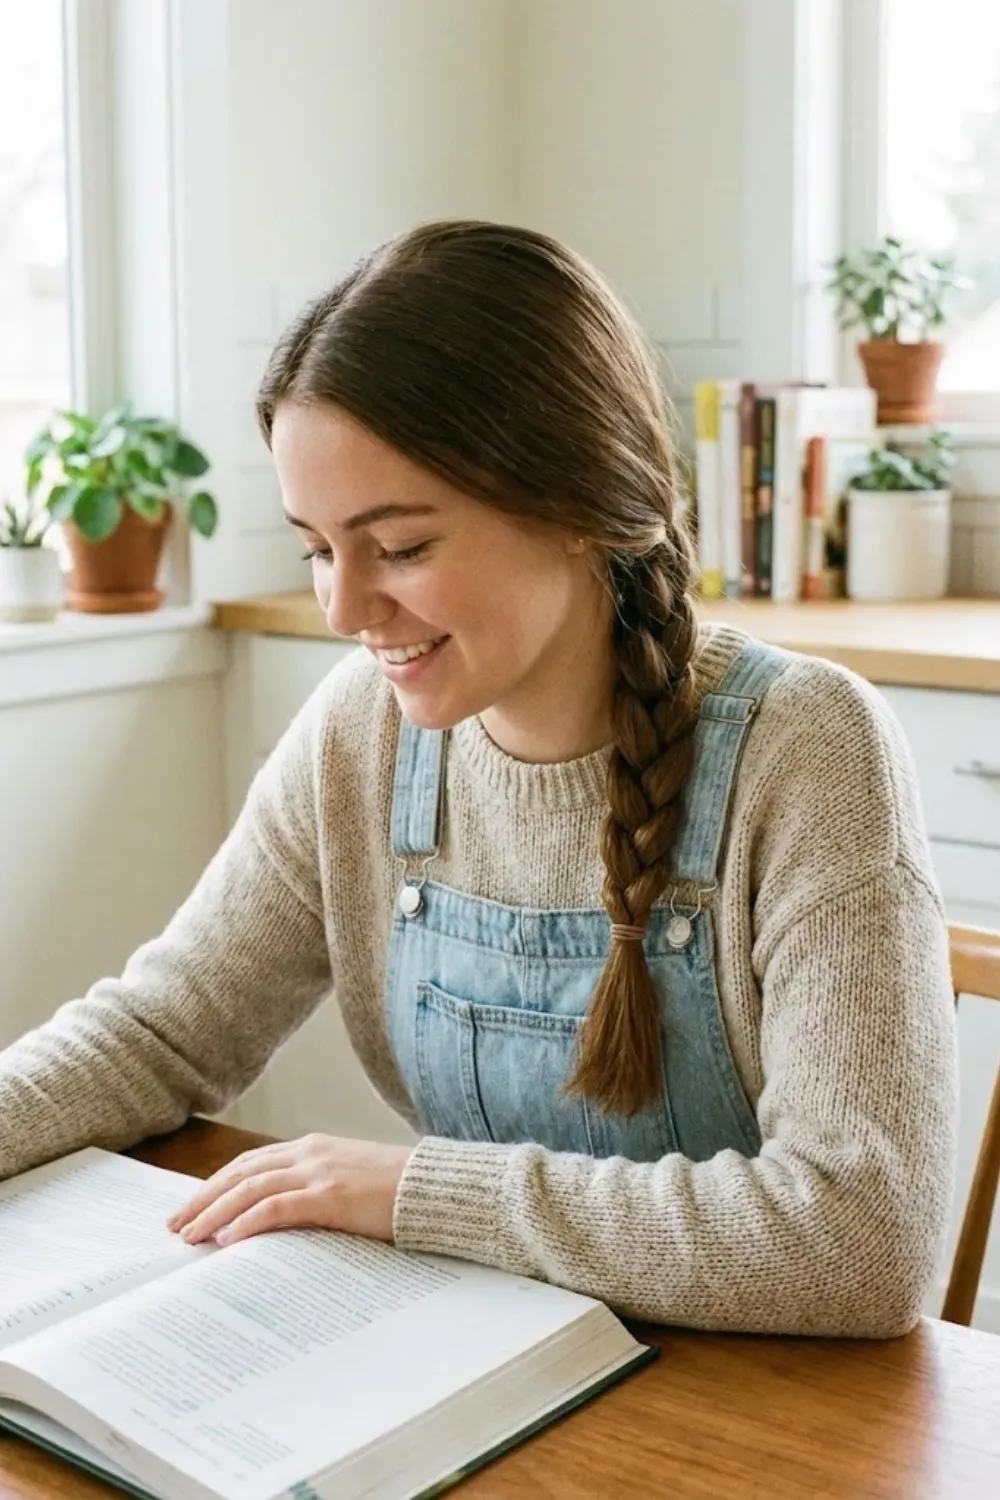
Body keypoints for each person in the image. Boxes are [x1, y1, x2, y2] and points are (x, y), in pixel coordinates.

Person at [0, 221, 957, 1338]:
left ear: (580, 506)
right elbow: (163, 1032)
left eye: (398, 547)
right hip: (478, 1361)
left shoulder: (808, 749)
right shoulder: (361, 736)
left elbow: (861, 1236)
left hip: (759, 1412)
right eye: (316, 548)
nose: (345, 612)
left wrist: (416, 1194)